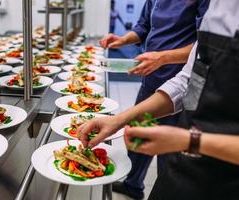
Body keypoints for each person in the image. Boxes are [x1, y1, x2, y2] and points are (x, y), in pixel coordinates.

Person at [78, 0, 239, 199]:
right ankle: (133, 184)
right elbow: (189, 79)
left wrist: (187, 141)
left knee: (164, 155)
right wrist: (117, 120)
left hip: (225, 174)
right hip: (185, 153)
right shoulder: (218, 7)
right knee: (144, 146)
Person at [99, 0, 209, 199]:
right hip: (151, 79)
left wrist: (163, 57)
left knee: (168, 155)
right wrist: (122, 40)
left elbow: (204, 47)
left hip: (181, 83)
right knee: (139, 135)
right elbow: (143, 27)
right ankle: (132, 184)